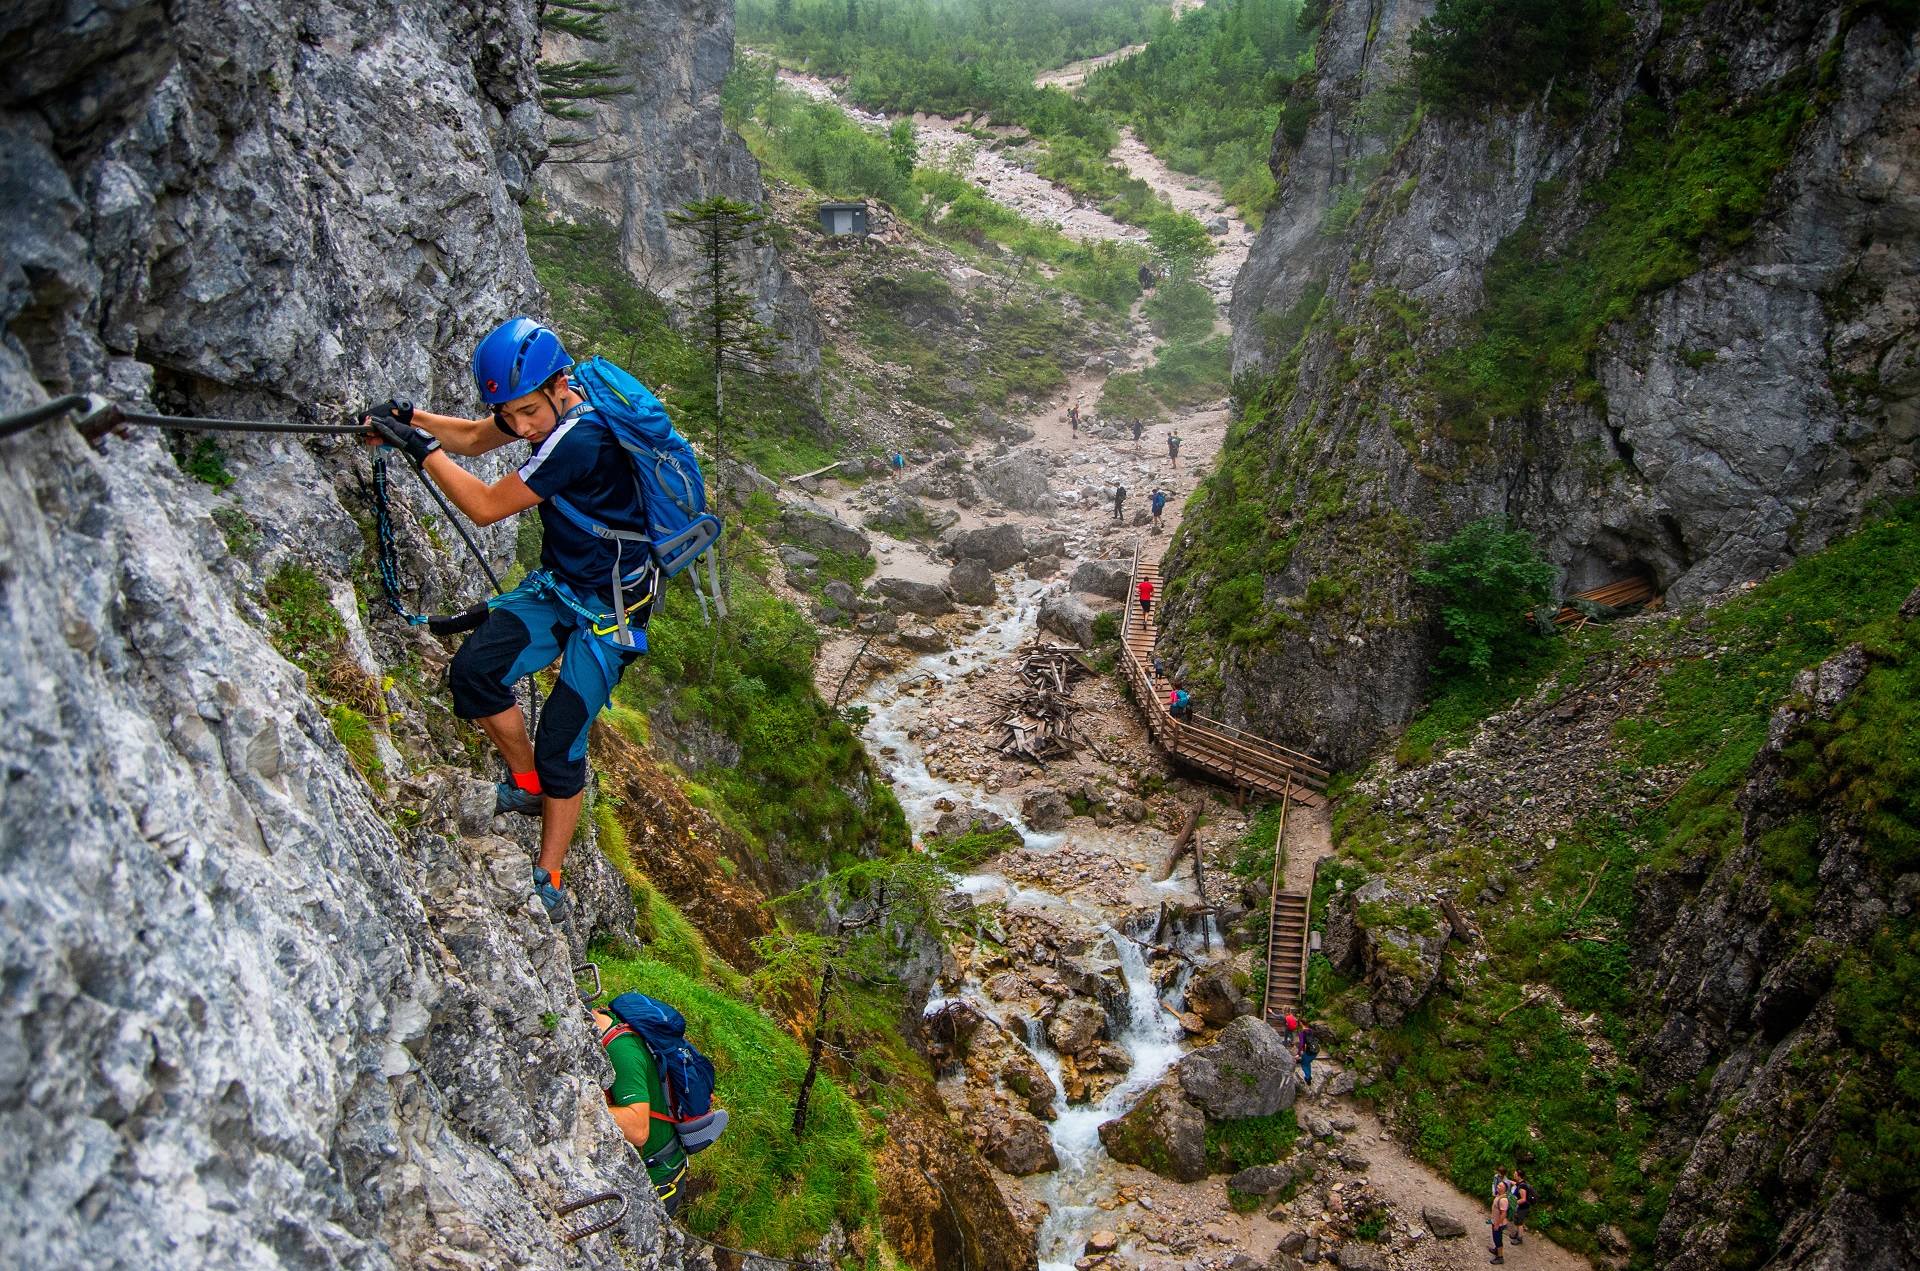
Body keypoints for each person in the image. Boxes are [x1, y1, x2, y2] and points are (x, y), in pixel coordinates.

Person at [361, 318, 656, 916]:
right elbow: (475, 438)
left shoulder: (580, 439)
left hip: (612, 613)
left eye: (527, 413)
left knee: (561, 743)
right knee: (474, 673)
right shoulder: (546, 406)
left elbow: (485, 507)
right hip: (562, 588)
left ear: (559, 385)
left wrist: (419, 449)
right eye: (511, 414)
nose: (521, 428)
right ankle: (526, 790)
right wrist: (410, 418)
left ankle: (550, 875)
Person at [594, 1007, 689, 1214]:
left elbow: (638, 1130)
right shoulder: (611, 1021)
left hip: (660, 1178)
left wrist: (584, 1106)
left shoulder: (621, 1052)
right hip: (661, 1167)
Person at [1489, 1180, 1510, 1264]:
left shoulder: (1503, 1200)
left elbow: (1503, 1214)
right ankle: (1496, 1250)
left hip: (1499, 1223)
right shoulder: (1499, 1195)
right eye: (1498, 1185)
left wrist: (1497, 1224)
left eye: (1500, 1186)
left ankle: (1500, 1257)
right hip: (1495, 1221)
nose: (1497, 1186)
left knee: (1498, 1239)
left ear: (1504, 1189)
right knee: (1495, 1238)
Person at [1509, 1169, 1530, 1245]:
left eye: (1515, 1174)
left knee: (1520, 1222)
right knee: (1517, 1220)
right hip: (1520, 1207)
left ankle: (1519, 1238)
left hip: (1522, 1208)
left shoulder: (1522, 1187)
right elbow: (1515, 1184)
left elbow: (1523, 1199)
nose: (1514, 1175)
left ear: (1519, 1176)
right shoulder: (1520, 1183)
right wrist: (1508, 1180)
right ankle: (1517, 1233)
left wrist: (1514, 1202)